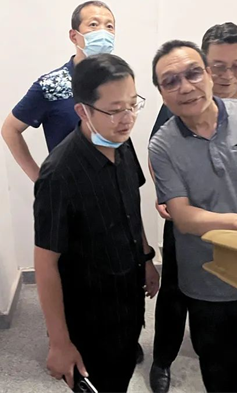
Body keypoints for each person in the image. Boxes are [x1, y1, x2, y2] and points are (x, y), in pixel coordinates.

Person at [149, 40, 237, 393]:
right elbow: (183, 216)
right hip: (206, 275)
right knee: (219, 368)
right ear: (162, 94)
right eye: (171, 81)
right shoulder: (162, 145)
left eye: (193, 73)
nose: (186, 87)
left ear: (209, 74)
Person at [34, 54, 160, 393]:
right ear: (83, 111)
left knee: (122, 374)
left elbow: (130, 208)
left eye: (133, 105)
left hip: (128, 298)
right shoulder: (59, 174)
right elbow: (45, 264)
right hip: (89, 316)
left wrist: (147, 258)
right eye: (115, 110)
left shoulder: (122, 143)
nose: (127, 119)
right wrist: (59, 343)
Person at [1, 0, 116, 182]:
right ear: (74, 36)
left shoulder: (117, 81)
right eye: (94, 24)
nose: (103, 32)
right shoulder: (52, 85)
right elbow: (10, 129)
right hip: (72, 190)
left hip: (114, 186)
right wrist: (41, 180)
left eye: (109, 26)